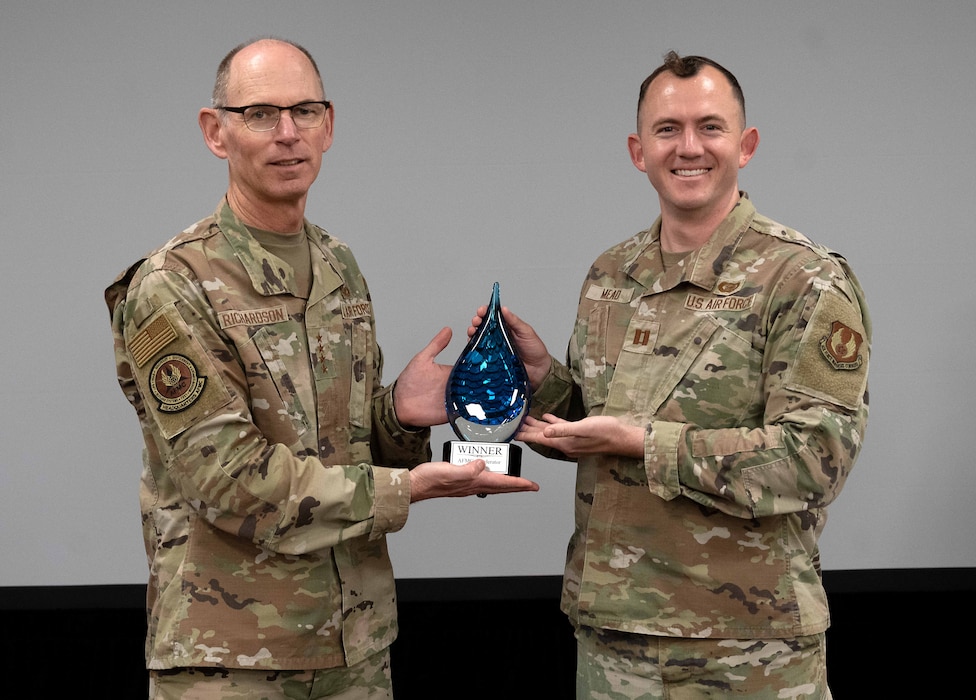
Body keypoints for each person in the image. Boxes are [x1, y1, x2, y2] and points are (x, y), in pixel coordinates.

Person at [104, 37, 538, 699]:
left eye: (305, 111)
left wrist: (397, 414)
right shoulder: (173, 284)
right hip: (233, 660)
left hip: (353, 647)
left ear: (328, 126)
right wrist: (406, 491)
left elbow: (350, 446)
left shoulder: (339, 266)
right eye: (260, 114)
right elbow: (227, 479)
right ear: (215, 131)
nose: (287, 133)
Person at [476, 51, 870, 698]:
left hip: (747, 648)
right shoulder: (611, 274)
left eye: (710, 127)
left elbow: (815, 458)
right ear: (638, 150)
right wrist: (545, 380)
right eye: (667, 130)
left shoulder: (802, 278)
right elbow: (594, 425)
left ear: (746, 146)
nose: (689, 147)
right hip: (613, 636)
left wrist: (645, 443)